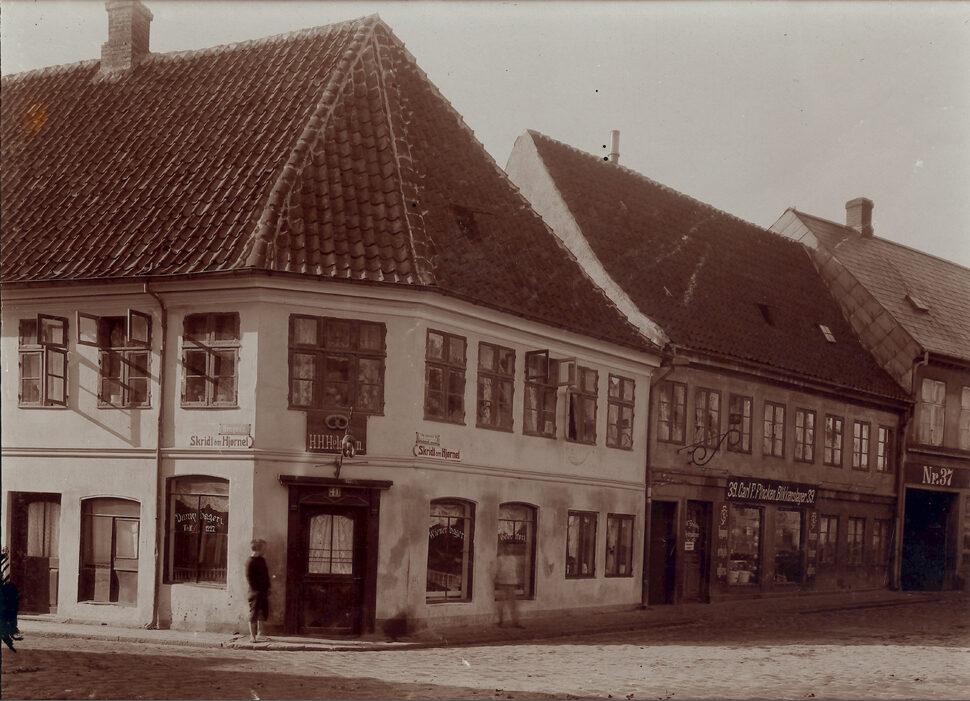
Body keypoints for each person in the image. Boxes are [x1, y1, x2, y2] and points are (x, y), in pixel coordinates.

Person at [246, 538, 271, 643]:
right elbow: (249, 578)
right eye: (264, 548)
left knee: (263, 612)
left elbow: (266, 575)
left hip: (263, 591)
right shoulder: (250, 561)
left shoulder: (262, 560)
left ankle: (260, 634)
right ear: (258, 549)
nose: (265, 550)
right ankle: (252, 636)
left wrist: (268, 587)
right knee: (254, 613)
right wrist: (256, 591)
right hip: (255, 592)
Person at [494, 547, 523, 628]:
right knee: (501, 603)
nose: (509, 549)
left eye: (511, 547)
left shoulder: (513, 559)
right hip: (502, 583)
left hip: (511, 583)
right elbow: (496, 570)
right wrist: (497, 579)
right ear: (504, 549)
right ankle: (501, 622)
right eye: (508, 547)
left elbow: (516, 570)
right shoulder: (500, 559)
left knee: (513, 604)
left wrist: (517, 580)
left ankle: (516, 622)